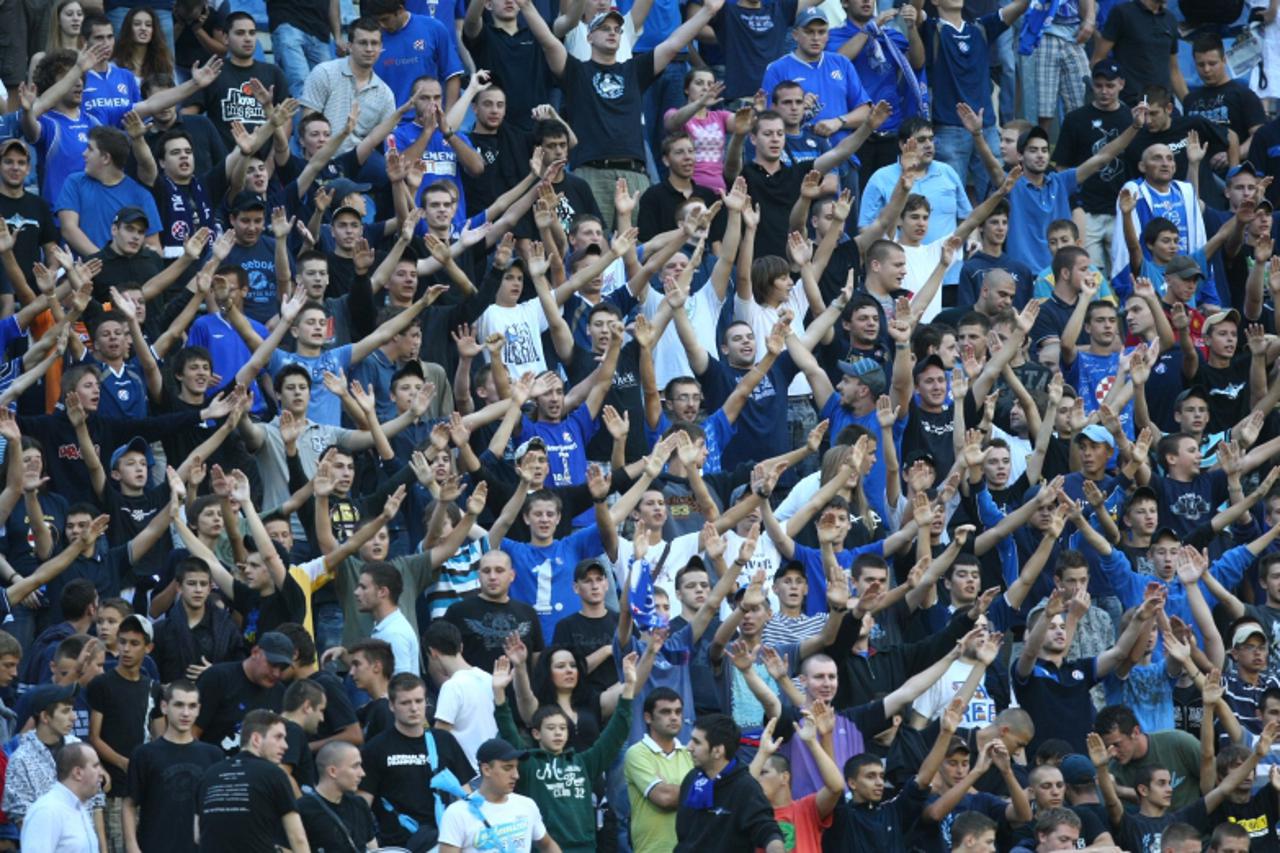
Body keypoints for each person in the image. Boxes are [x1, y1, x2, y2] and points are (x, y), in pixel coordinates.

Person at [359, 672, 475, 849]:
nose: (414, 708)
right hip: (397, 845)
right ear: (391, 705)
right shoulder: (375, 748)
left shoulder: (444, 740)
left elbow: (464, 795)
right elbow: (361, 806)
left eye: (419, 701)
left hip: (443, 840)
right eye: (405, 703)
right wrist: (373, 847)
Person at [124, 679, 224, 853]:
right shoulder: (144, 754)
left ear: (199, 709)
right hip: (154, 846)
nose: (186, 713)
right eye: (179, 705)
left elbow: (220, 808)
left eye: (192, 706)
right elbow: (129, 804)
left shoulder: (213, 755)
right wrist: (132, 846)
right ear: (164, 707)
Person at [196, 709, 310, 853]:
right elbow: (297, 837)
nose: (285, 745)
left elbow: (198, 835)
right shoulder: (274, 774)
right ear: (256, 739)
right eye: (278, 737)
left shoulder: (209, 774)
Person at [674, 713, 786, 852]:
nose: (689, 747)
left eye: (696, 742)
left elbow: (767, 831)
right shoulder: (692, 778)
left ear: (718, 751)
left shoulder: (745, 788)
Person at [437, 737, 563, 853]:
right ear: (486, 770)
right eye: (507, 768)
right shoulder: (457, 813)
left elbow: (547, 845)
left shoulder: (527, 805)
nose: (516, 775)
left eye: (516, 767)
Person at [19, 741, 105, 852]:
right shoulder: (46, 811)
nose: (101, 773)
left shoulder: (78, 807)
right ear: (78, 773)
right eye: (95, 766)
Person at [296, 741, 379, 852]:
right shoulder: (303, 809)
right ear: (333, 771)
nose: (362, 773)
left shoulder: (359, 804)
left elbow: (373, 847)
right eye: (355, 766)